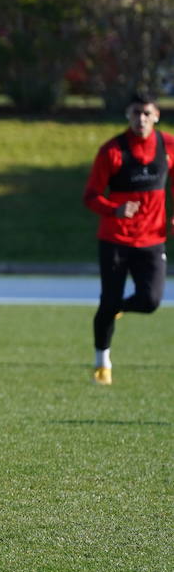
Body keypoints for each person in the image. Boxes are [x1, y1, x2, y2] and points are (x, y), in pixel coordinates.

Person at [82, 90, 172, 386]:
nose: (141, 119)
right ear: (128, 115)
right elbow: (91, 196)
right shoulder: (112, 151)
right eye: (136, 113)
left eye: (147, 113)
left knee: (150, 300)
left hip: (152, 239)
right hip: (115, 239)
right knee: (108, 301)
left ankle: (120, 307)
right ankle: (101, 362)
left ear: (157, 115)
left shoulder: (168, 145)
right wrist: (114, 209)